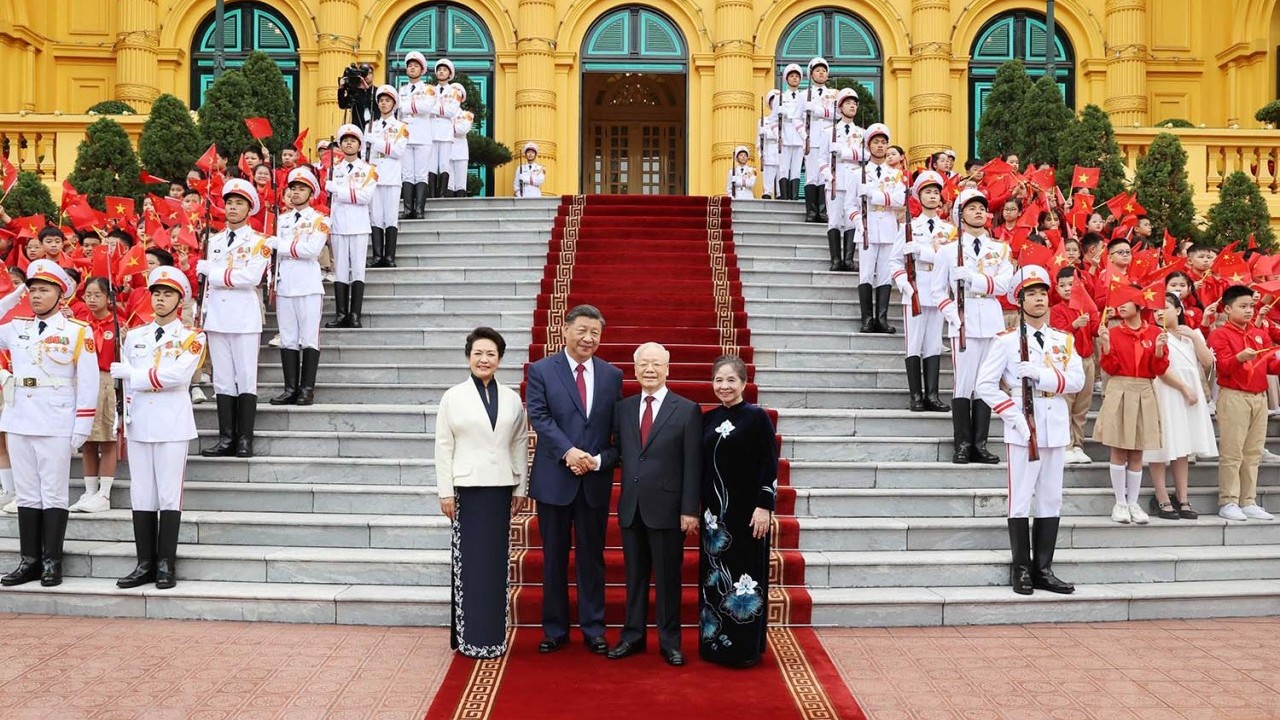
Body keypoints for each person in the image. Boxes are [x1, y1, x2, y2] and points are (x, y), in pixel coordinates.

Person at [976, 265, 1082, 596]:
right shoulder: (1006, 341)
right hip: (1023, 426)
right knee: (1020, 499)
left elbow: (1077, 380)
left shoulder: (1063, 340)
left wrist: (1040, 374)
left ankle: (1044, 569)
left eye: (1042, 294)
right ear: (1019, 301)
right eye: (1030, 294)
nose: (1038, 299)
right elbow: (984, 386)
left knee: (1051, 498)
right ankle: (1021, 568)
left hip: (1054, 422)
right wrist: (1014, 417)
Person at [524, 305, 622, 655]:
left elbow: (615, 429)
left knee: (592, 558)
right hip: (555, 478)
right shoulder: (541, 370)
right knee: (553, 557)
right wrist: (569, 452)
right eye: (582, 330)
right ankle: (554, 629)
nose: (588, 338)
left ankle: (594, 628)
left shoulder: (613, 375)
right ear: (565, 330)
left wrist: (593, 461)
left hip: (593, 480)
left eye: (595, 332)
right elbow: (538, 414)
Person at [600, 342, 701, 667]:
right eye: (643, 363)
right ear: (635, 368)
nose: (649, 369)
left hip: (669, 510)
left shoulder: (686, 409)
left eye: (656, 364)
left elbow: (692, 464)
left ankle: (670, 641)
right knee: (635, 577)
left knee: (669, 579)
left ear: (667, 368)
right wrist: (595, 460)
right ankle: (632, 635)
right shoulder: (624, 408)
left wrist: (689, 510)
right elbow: (620, 453)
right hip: (632, 507)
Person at [0, 260, 96, 587]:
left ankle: (52, 561)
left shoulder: (77, 331)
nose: (36, 295)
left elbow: (88, 381)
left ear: (61, 294)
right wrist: (12, 297)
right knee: (26, 494)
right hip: (19, 417)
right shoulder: (17, 327)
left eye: (44, 289)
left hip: (57, 419)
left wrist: (82, 425)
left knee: (53, 493)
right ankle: (29, 560)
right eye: (33, 289)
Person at [434, 327, 529, 658]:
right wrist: (445, 492)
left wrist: (520, 486)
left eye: (490, 354)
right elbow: (443, 447)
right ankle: (469, 636)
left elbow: (519, 443)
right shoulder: (453, 397)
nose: (484, 359)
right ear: (468, 357)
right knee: (470, 564)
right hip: (466, 491)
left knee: (495, 564)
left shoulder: (512, 398)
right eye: (478, 353)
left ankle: (493, 637)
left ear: (500, 359)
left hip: (501, 488)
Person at [111, 266, 204, 590]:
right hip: (140, 423)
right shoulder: (135, 336)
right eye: (157, 293)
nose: (161, 299)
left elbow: (177, 377)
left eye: (168, 294)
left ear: (180, 300)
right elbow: (124, 385)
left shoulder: (192, 338)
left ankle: (166, 563)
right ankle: (144, 563)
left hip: (172, 424)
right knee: (142, 494)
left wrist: (132, 375)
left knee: (168, 495)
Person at [699, 354, 778, 668]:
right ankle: (713, 644)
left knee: (744, 580)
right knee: (714, 579)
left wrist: (764, 505)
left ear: (744, 383)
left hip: (747, 516)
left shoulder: (757, 418)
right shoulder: (707, 418)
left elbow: (768, 464)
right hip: (714, 520)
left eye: (731, 379)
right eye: (719, 380)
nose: (724, 386)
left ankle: (743, 649)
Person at [932, 189, 1014, 465]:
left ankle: (981, 443)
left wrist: (975, 279)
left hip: (991, 317)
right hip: (963, 318)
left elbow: (1003, 285)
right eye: (971, 208)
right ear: (960, 216)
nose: (978, 212)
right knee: (964, 384)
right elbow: (937, 291)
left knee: (986, 383)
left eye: (981, 208)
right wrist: (951, 312)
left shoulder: (1001, 249)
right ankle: (963, 444)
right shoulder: (947, 251)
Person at [196, 178, 272, 459]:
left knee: (246, 377)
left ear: (249, 209)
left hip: (243, 316)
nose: (232, 207)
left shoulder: (258, 242)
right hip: (216, 315)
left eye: (239, 203)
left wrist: (213, 274)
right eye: (229, 203)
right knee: (223, 380)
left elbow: (251, 277)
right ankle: (226, 438)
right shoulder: (213, 241)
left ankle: (244, 439)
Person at [1093, 286, 1168, 525]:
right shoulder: (1113, 332)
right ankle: (1120, 502)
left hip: (1144, 389)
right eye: (1119, 302)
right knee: (1118, 447)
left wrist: (1158, 350)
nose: (1120, 306)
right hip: (1120, 388)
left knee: (1137, 451)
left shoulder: (1156, 332)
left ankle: (1133, 501)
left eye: (1126, 301)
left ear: (1140, 304)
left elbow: (1159, 370)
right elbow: (1110, 368)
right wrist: (1105, 345)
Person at [1209, 284, 1280, 521]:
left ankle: (1248, 500)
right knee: (1232, 451)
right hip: (1234, 395)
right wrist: (1240, 357)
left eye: (1251, 306)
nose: (1249, 310)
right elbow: (1223, 367)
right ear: (1228, 309)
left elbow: (1270, 365)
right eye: (1243, 306)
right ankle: (1228, 500)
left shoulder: (1258, 333)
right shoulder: (1220, 334)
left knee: (1252, 452)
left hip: (1259, 397)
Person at [1147, 292, 1217, 520]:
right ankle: (1161, 497)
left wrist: (1196, 338)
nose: (1158, 313)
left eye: (1164, 307)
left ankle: (1183, 496)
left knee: (1183, 446)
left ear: (1178, 310)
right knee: (1161, 445)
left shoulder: (1191, 335)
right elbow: (1160, 368)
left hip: (1189, 397)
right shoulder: (1153, 334)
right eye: (1155, 309)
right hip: (1166, 392)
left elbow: (1208, 363)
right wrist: (1185, 388)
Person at [890, 170, 952, 412]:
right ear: (918, 197)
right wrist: (905, 284)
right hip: (915, 289)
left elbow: (948, 259)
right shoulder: (909, 227)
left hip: (938, 289)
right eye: (928, 192)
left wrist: (924, 252)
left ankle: (933, 395)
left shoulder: (949, 230)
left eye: (936, 192)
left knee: (934, 344)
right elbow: (894, 261)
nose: (933, 196)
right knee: (914, 344)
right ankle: (916, 395)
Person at [270, 167, 329, 406]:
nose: (295, 192)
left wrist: (282, 246)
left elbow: (312, 250)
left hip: (308, 285)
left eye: (301, 189)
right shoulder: (280, 220)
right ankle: (290, 388)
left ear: (311, 193)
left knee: (309, 338)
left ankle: (307, 389)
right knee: (288, 338)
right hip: (286, 285)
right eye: (292, 188)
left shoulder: (320, 220)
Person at [846, 123, 905, 334]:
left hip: (889, 227)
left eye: (883, 142)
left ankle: (882, 319)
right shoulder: (857, 173)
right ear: (868, 145)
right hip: (867, 227)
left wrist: (874, 195)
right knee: (866, 274)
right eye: (876, 142)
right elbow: (849, 205)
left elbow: (900, 199)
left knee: (885, 275)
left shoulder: (896, 175)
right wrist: (858, 223)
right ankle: (867, 319)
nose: (880, 146)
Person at [70, 277, 120, 514]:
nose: (91, 299)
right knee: (87, 441)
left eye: (97, 295)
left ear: (109, 298)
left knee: (107, 438)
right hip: (83, 382)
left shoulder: (117, 327)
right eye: (87, 295)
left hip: (107, 381)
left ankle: (104, 492)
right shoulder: (80, 326)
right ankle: (89, 490)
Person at [325, 124, 377, 330]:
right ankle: (340, 314)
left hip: (358, 225)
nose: (349, 143)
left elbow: (364, 197)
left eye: (353, 140)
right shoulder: (333, 170)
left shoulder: (368, 170)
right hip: (338, 224)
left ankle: (355, 315)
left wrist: (338, 190)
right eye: (345, 140)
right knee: (340, 271)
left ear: (359, 145)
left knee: (357, 270)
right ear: (340, 144)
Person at [1048, 267, 1099, 465]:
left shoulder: (1087, 307)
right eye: (1063, 286)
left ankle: (1078, 444)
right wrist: (1075, 325)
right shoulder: (1057, 310)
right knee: (1066, 403)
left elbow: (1094, 329)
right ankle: (1066, 445)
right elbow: (1058, 336)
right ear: (1057, 289)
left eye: (1072, 284)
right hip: (1067, 361)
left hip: (1087, 360)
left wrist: (1100, 324)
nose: (1067, 288)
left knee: (1082, 405)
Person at [364, 85, 408, 268]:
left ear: (394, 104)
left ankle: (389, 256)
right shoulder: (370, 126)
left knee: (390, 217)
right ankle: (377, 255)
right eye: (381, 100)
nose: (383, 103)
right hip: (374, 175)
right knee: (376, 216)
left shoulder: (401, 127)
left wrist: (377, 142)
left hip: (391, 176)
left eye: (387, 100)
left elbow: (398, 151)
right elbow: (363, 153)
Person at [821, 88, 862, 272]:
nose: (852, 106)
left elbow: (867, 155)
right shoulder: (829, 131)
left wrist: (844, 153)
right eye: (848, 103)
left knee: (852, 221)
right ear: (840, 107)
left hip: (853, 181)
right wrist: (827, 175)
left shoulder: (862, 133)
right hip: (835, 180)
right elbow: (821, 159)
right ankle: (836, 259)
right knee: (835, 220)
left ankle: (849, 259)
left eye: (854, 103)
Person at [398, 51, 431, 219]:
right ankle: (408, 209)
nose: (412, 68)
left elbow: (426, 107)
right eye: (410, 65)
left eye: (415, 66)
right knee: (407, 173)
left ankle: (419, 210)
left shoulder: (428, 90)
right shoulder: (401, 90)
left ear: (422, 70)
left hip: (422, 136)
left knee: (421, 173)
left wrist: (406, 106)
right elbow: (396, 112)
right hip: (405, 136)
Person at [803, 57, 834, 223]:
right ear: (811, 74)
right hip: (812, 138)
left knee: (824, 176)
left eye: (823, 70)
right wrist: (804, 136)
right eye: (817, 70)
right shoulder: (804, 95)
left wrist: (817, 110)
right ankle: (811, 211)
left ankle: (823, 211)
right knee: (812, 176)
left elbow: (837, 114)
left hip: (828, 138)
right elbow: (796, 119)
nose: (821, 73)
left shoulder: (834, 94)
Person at [427, 58, 462, 199]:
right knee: (431, 163)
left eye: (444, 70)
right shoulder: (429, 90)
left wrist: (435, 109)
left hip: (446, 131)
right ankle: (431, 194)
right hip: (431, 130)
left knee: (443, 163)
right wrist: (442, 109)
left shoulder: (455, 92)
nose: (441, 72)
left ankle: (442, 194)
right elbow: (426, 108)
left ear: (450, 74)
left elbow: (452, 111)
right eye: (439, 70)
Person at [773, 64, 805, 201]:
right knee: (783, 168)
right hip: (784, 135)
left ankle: (794, 197)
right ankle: (785, 197)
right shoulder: (780, 97)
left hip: (799, 135)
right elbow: (773, 120)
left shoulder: (804, 97)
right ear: (786, 79)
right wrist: (777, 135)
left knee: (796, 168)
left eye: (797, 76)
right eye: (791, 76)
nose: (794, 78)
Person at [448, 82, 474, 198]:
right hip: (446, 150)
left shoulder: (467, 115)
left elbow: (463, 129)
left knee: (460, 183)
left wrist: (446, 127)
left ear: (461, 98)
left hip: (460, 151)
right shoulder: (443, 113)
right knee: (449, 182)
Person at [757, 90, 781, 199]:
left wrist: (767, 133)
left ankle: (781, 194)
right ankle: (767, 192)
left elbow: (782, 135)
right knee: (768, 175)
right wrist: (760, 154)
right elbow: (758, 140)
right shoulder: (763, 120)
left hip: (781, 150)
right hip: (769, 149)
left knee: (781, 175)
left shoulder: (785, 119)